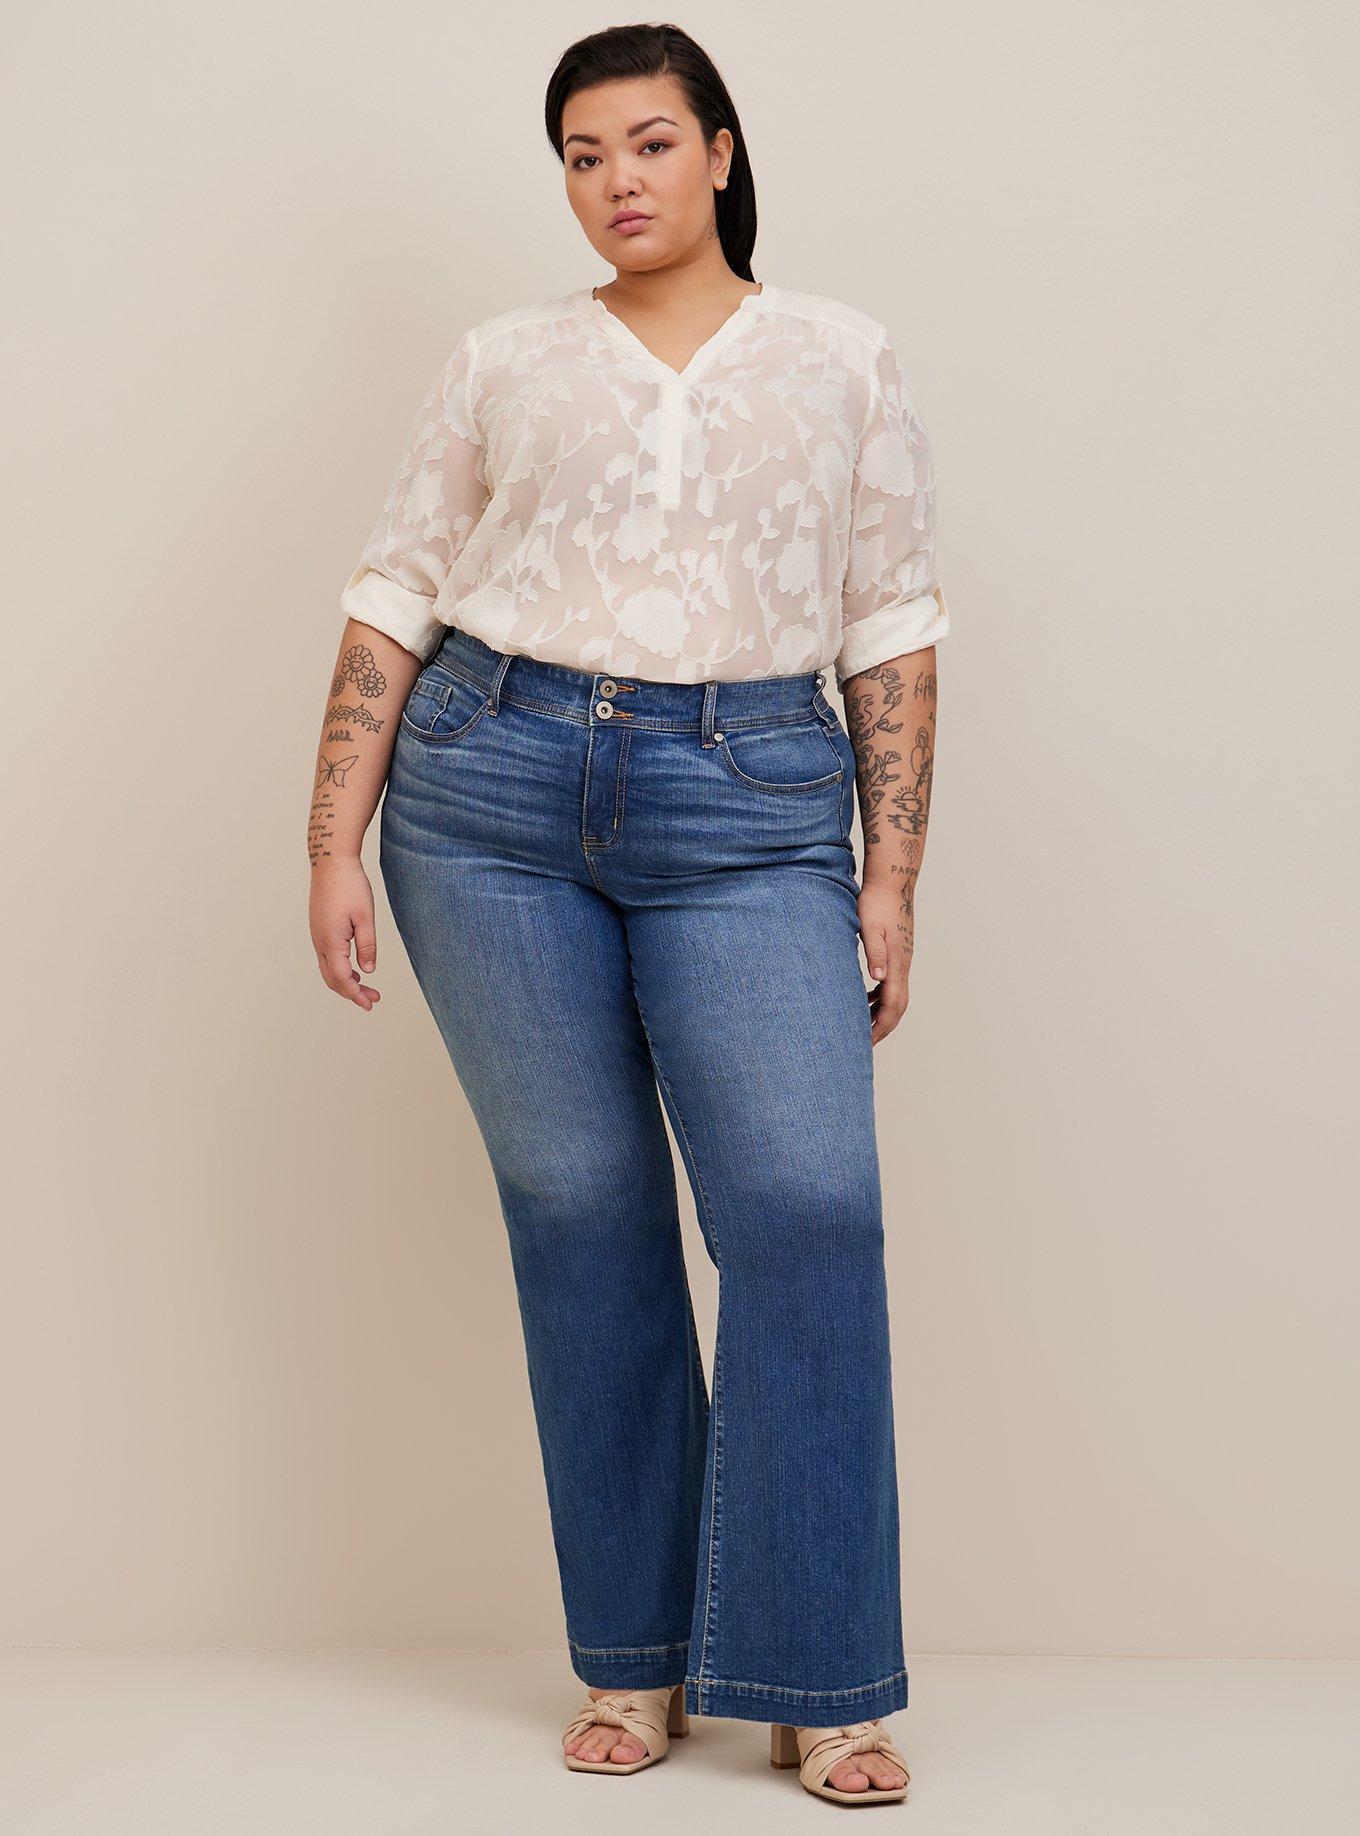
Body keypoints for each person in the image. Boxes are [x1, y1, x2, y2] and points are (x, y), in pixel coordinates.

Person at [307, 21, 948, 1810]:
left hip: (750, 801)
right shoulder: (506, 357)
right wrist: (333, 840)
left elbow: (890, 621)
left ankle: (821, 1678)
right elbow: (398, 586)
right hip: (488, 794)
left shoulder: (840, 355)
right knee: (583, 1215)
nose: (618, 183)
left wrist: (891, 876)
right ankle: (633, 1660)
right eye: (583, 157)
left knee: (807, 1208)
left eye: (651, 144)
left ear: (721, 151)